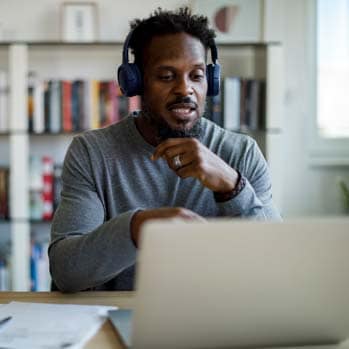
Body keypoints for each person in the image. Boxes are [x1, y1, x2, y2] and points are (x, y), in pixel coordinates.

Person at [49, 7, 281, 292]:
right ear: (135, 82)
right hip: (121, 320)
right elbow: (66, 273)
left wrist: (231, 186)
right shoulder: (92, 153)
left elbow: (276, 262)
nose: (185, 90)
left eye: (196, 76)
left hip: (220, 319)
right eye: (167, 76)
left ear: (212, 81)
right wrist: (137, 228)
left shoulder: (241, 152)